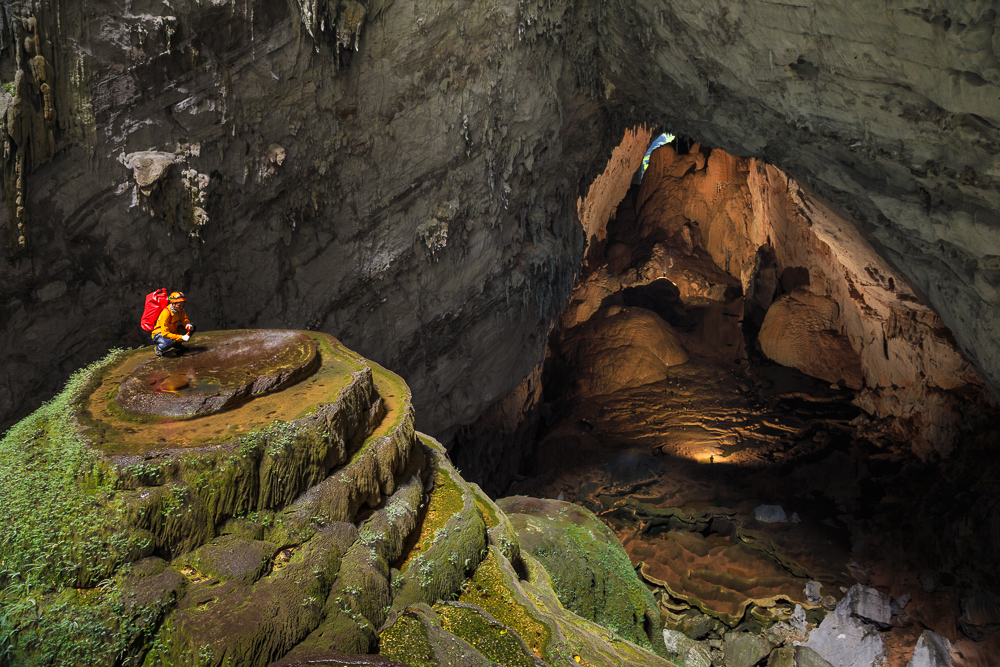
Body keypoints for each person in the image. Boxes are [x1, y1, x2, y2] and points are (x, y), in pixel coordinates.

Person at [152, 291, 196, 357]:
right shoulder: (166, 313)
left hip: (172, 331)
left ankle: (177, 344)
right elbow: (165, 333)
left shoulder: (180, 310)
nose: (182, 307)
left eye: (183, 305)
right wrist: (181, 337)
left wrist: (187, 324)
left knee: (193, 326)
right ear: (173, 304)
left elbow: (183, 319)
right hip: (160, 334)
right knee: (169, 342)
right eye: (179, 305)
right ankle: (159, 348)